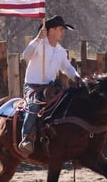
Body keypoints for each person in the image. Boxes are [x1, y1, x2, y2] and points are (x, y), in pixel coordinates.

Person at [18, 15, 81, 155]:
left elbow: (67, 68)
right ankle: (26, 139)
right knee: (34, 105)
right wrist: (38, 39)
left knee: (66, 104)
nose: (63, 32)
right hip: (32, 86)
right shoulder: (38, 44)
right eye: (61, 29)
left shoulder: (60, 51)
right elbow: (25, 56)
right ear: (51, 30)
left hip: (51, 88)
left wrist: (76, 77)